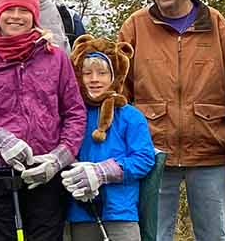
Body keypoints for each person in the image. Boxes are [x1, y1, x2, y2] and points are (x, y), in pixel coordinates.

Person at [117, 0, 225, 241]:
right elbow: (120, 91)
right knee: (155, 235)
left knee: (214, 236)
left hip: (209, 147)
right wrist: (123, 149)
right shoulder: (135, 26)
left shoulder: (215, 23)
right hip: (153, 149)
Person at [0, 0, 87, 241]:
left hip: (45, 171)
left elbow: (75, 111)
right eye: (9, 10)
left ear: (34, 17)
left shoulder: (56, 58)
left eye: (24, 11)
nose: (16, 17)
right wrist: (3, 140)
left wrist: (58, 158)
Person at [58, 35, 155, 241]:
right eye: (87, 73)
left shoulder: (130, 116)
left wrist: (103, 172)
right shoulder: (70, 114)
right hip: (80, 212)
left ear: (114, 76)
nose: (94, 79)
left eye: (102, 73)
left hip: (121, 212)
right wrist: (75, 174)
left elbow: (144, 158)